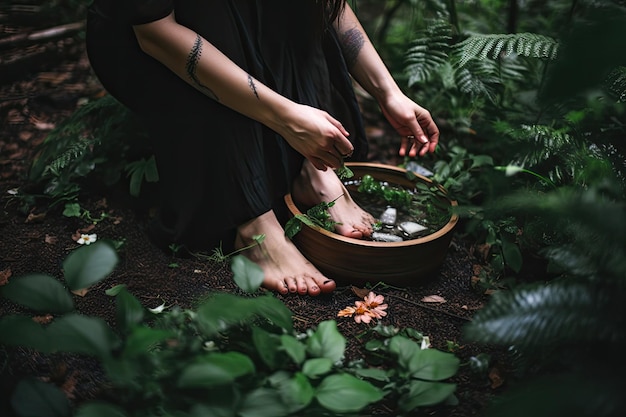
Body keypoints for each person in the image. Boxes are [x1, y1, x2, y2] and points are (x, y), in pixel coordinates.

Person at [85, 0, 439, 296]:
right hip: (148, 38)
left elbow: (332, 6)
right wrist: (288, 119)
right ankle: (252, 224)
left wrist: (387, 91)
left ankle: (313, 171)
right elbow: (155, 31)